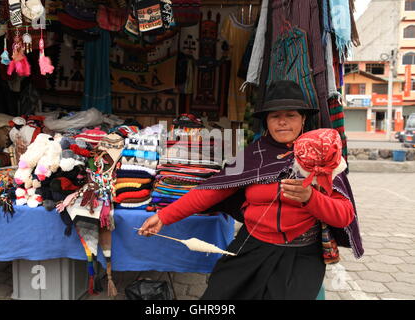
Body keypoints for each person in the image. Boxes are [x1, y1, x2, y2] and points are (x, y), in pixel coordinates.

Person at [138, 80, 364, 300]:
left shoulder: (323, 155)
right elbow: (213, 190)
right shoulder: (252, 154)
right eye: (275, 116)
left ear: (303, 119)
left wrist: (310, 198)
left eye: (291, 115)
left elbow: (344, 214)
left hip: (301, 254)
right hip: (252, 246)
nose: (282, 122)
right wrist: (164, 216)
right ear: (267, 121)